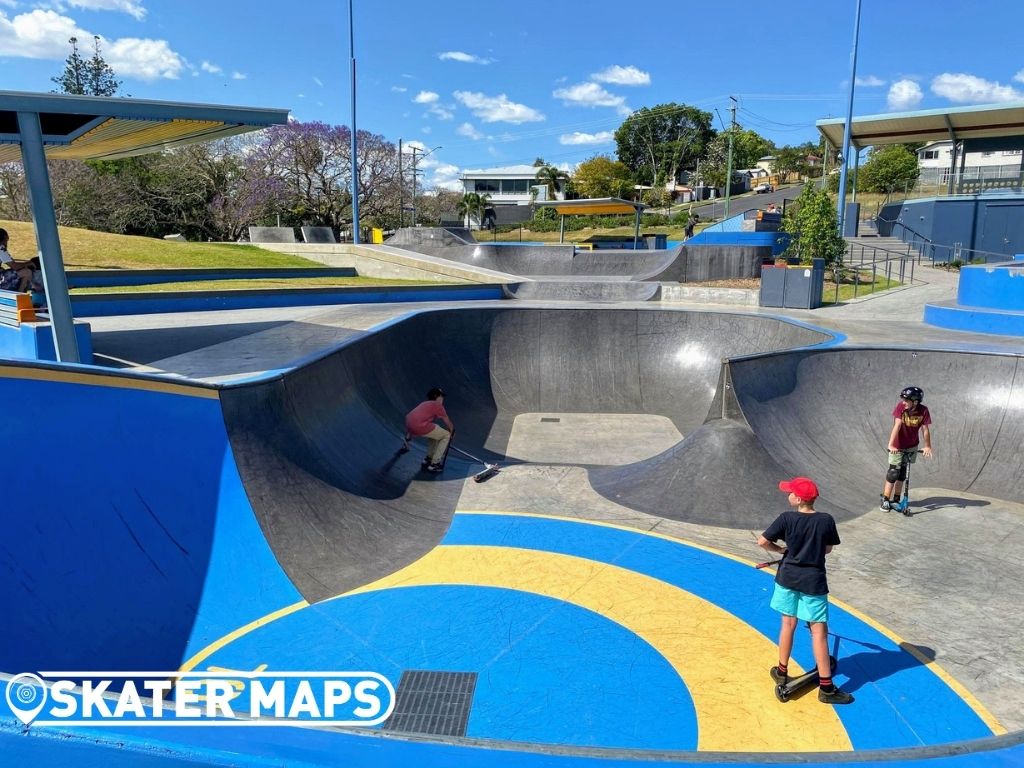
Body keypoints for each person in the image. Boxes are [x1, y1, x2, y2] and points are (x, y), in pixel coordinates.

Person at [758, 476, 853, 705]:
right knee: (818, 631)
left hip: (787, 578)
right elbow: (827, 550)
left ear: (798, 499)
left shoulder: (786, 518)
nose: (787, 494)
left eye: (790, 492)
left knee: (788, 623)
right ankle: (827, 688)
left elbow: (762, 542)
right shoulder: (826, 520)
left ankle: (781, 671)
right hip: (813, 582)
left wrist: (781, 550)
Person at [880, 386, 933, 511]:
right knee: (893, 472)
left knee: (902, 474)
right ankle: (885, 499)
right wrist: (891, 445)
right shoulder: (901, 407)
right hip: (898, 445)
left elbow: (925, 429)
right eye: (903, 400)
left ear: (915, 401)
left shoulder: (923, 411)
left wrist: (927, 446)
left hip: (911, 446)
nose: (903, 402)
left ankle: (896, 499)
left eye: (906, 400)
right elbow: (897, 426)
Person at [404, 387, 454, 473]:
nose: (443, 399)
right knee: (446, 435)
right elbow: (448, 422)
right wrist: (452, 432)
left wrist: (407, 439)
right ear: (436, 396)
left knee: (434, 430)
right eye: (441, 397)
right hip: (419, 426)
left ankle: (428, 458)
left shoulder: (425, 403)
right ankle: (434, 464)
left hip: (408, 423)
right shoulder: (437, 405)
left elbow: (413, 419)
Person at [0, 228, 36, 292]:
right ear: (5, 238)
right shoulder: (1, 249)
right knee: (27, 272)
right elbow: (15, 266)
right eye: (7, 240)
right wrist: (29, 263)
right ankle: (21, 293)